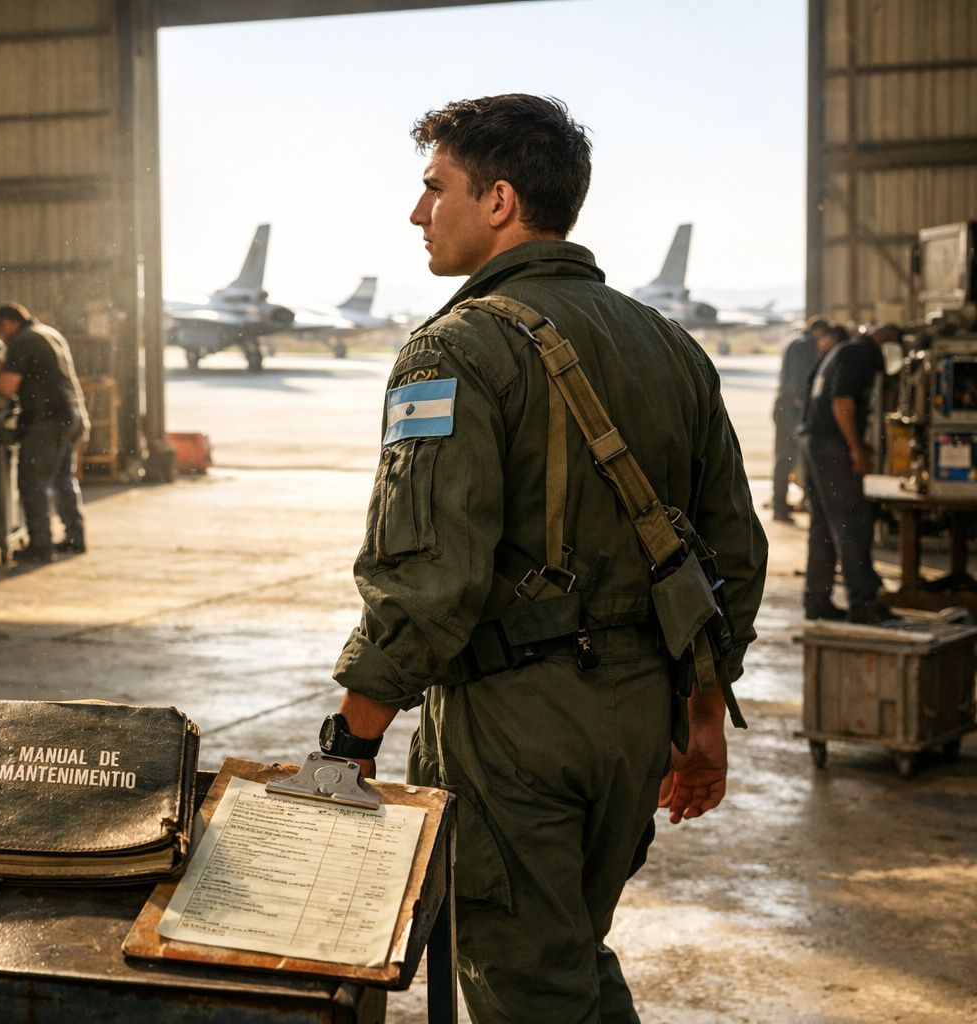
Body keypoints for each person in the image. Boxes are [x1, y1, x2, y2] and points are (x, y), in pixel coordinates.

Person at [314, 94, 766, 1022]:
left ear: (499, 202)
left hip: (516, 727)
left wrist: (350, 741)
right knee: (569, 959)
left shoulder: (454, 348)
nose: (416, 212)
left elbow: (429, 578)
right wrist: (701, 717)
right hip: (637, 723)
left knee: (527, 983)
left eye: (435, 187)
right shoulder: (670, 344)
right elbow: (732, 554)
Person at [0, 303, 89, 563]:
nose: (2, 335)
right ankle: (75, 538)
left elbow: (7, 386)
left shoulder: (22, 340)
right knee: (62, 478)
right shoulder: (47, 333)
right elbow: (30, 370)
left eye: (1, 329)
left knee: (33, 481)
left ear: (9, 322)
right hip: (71, 414)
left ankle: (40, 546)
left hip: (47, 420)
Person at [798, 321, 886, 622]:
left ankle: (816, 600)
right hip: (830, 445)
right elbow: (842, 402)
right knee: (852, 523)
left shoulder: (838, 353)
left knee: (823, 525)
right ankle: (863, 603)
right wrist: (856, 448)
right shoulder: (859, 354)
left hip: (812, 440)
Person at [772, 326, 821, 522]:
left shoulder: (793, 340)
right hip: (791, 409)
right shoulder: (804, 344)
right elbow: (800, 379)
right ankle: (781, 506)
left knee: (784, 457)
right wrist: (802, 403)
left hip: (784, 406)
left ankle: (780, 504)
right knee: (790, 457)